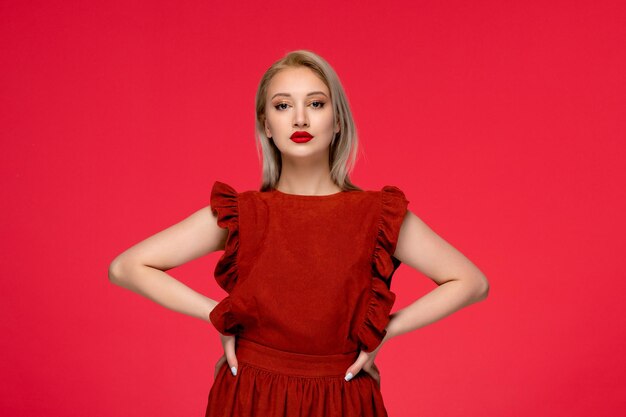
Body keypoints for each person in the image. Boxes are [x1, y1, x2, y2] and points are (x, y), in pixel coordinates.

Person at [108, 49, 490, 417]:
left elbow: (471, 282)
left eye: (317, 104)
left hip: (342, 396)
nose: (301, 119)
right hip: (250, 397)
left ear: (338, 120)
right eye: (283, 105)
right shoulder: (244, 214)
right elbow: (126, 267)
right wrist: (216, 314)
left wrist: (385, 331)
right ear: (266, 125)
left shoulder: (376, 215)